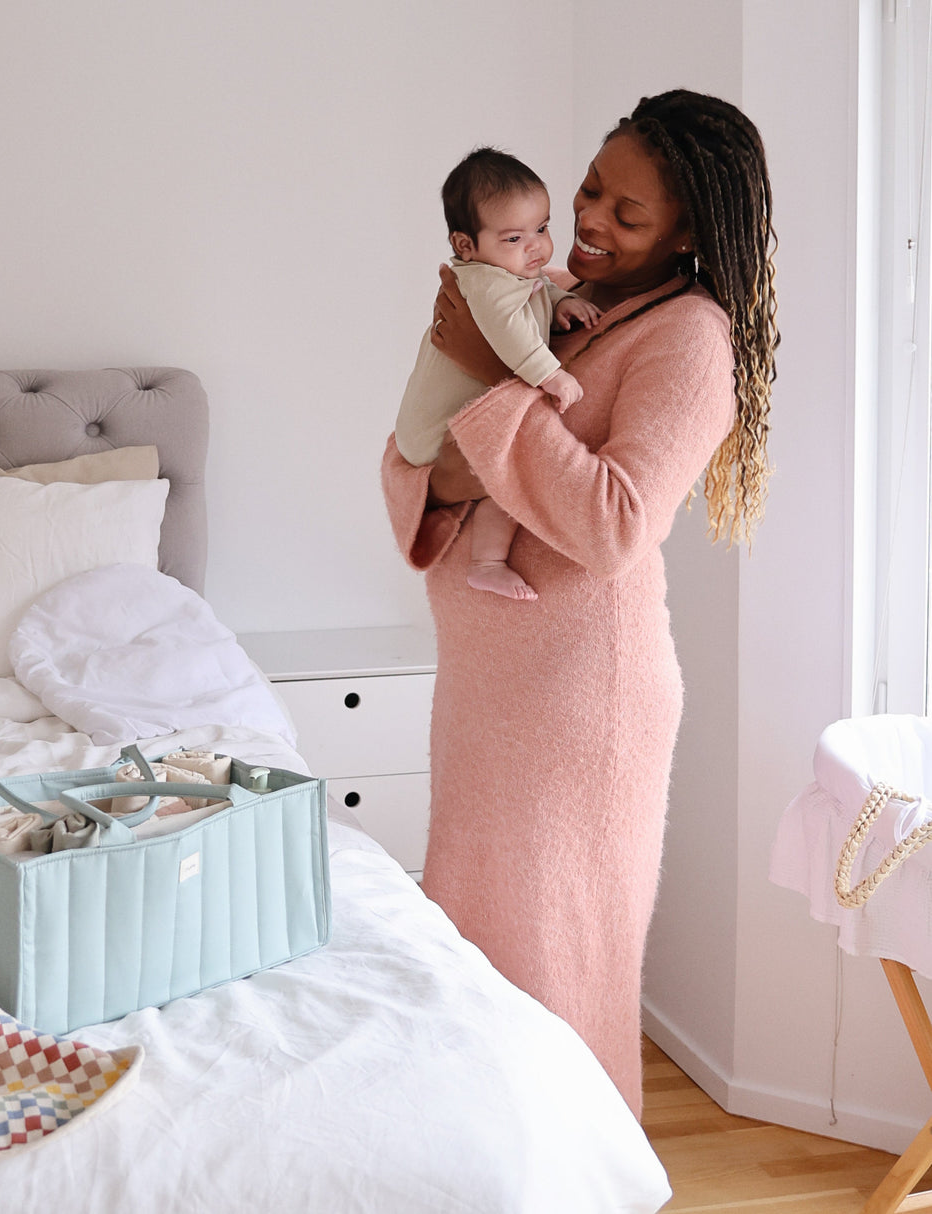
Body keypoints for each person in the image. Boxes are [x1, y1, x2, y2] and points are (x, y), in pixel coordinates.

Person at [381, 89, 777, 1118]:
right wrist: (472, 414)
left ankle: (578, 1170)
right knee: (474, 945)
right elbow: (418, 451)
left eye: (626, 212)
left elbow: (613, 521)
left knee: (556, 966)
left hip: (577, 706)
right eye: (591, 190)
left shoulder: (687, 340)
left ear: (686, 231)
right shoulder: (544, 296)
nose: (589, 220)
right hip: (490, 692)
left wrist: (491, 390)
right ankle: (484, 1165)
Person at [394, 147, 601, 601]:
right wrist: (550, 374)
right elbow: (508, 330)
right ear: (466, 245)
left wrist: (562, 301)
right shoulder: (485, 284)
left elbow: (538, 288)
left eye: (542, 228)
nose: (536, 246)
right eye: (513, 238)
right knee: (508, 479)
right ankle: (486, 562)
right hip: (437, 430)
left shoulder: (508, 273)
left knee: (507, 475)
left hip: (447, 420)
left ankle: (486, 561)